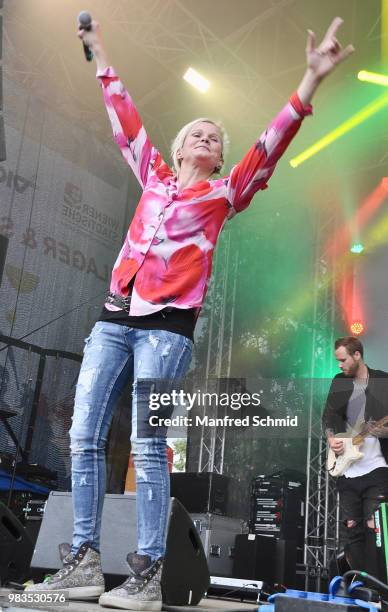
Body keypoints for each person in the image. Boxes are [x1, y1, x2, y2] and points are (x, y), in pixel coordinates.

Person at [26, 16, 354, 611]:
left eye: (214, 136)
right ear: (177, 149)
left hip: (166, 331)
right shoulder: (152, 174)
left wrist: (308, 81)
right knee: (82, 435)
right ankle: (81, 561)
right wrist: (98, 52)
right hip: (114, 319)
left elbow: (269, 145)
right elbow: (124, 117)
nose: (206, 138)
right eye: (196, 133)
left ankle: (149, 575)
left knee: (149, 446)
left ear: (220, 155)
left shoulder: (224, 193)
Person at [322, 336, 388, 578]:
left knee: (376, 528)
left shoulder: (382, 381)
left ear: (357, 355)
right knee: (352, 530)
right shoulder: (339, 382)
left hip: (377, 469)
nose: (339, 365)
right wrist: (331, 438)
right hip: (347, 472)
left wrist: (384, 431)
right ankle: (360, 586)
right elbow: (329, 416)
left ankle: (379, 588)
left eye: (342, 360)